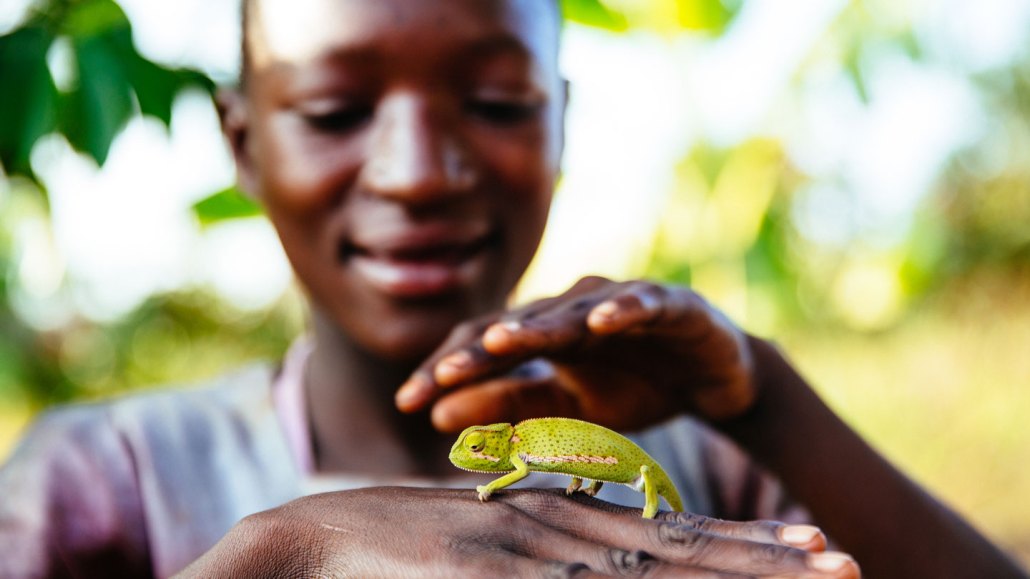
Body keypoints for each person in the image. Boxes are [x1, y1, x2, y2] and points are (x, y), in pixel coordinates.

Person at [0, 0, 1025, 577]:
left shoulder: (713, 473)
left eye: (494, 101)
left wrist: (765, 401)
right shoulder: (104, 478)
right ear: (243, 142)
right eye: (333, 110)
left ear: (562, 126)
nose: (416, 170)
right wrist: (275, 559)